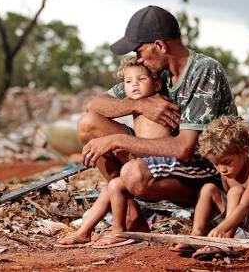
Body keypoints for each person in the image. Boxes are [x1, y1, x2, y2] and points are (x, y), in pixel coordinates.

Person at [78, 5, 238, 238]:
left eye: (140, 51)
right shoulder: (154, 70)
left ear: (161, 46)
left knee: (133, 174)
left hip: (205, 171)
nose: (137, 58)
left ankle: (141, 185)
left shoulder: (204, 71)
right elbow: (94, 104)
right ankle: (132, 216)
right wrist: (137, 104)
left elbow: (184, 149)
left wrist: (117, 141)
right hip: (163, 161)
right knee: (89, 123)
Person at [56, 58, 170, 248]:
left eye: (141, 79)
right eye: (128, 82)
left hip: (156, 163)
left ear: (157, 84)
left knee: (114, 186)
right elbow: (93, 105)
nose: (134, 85)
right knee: (110, 188)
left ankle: (118, 230)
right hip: (139, 157)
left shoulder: (159, 102)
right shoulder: (138, 98)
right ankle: (85, 231)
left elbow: (158, 145)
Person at [172, 115, 249, 258]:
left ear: (245, 151)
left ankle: (226, 242)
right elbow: (231, 205)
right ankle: (197, 236)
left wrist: (222, 227)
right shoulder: (226, 172)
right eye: (216, 164)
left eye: (227, 162)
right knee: (208, 188)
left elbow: (245, 205)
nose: (222, 169)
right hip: (245, 222)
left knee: (235, 191)